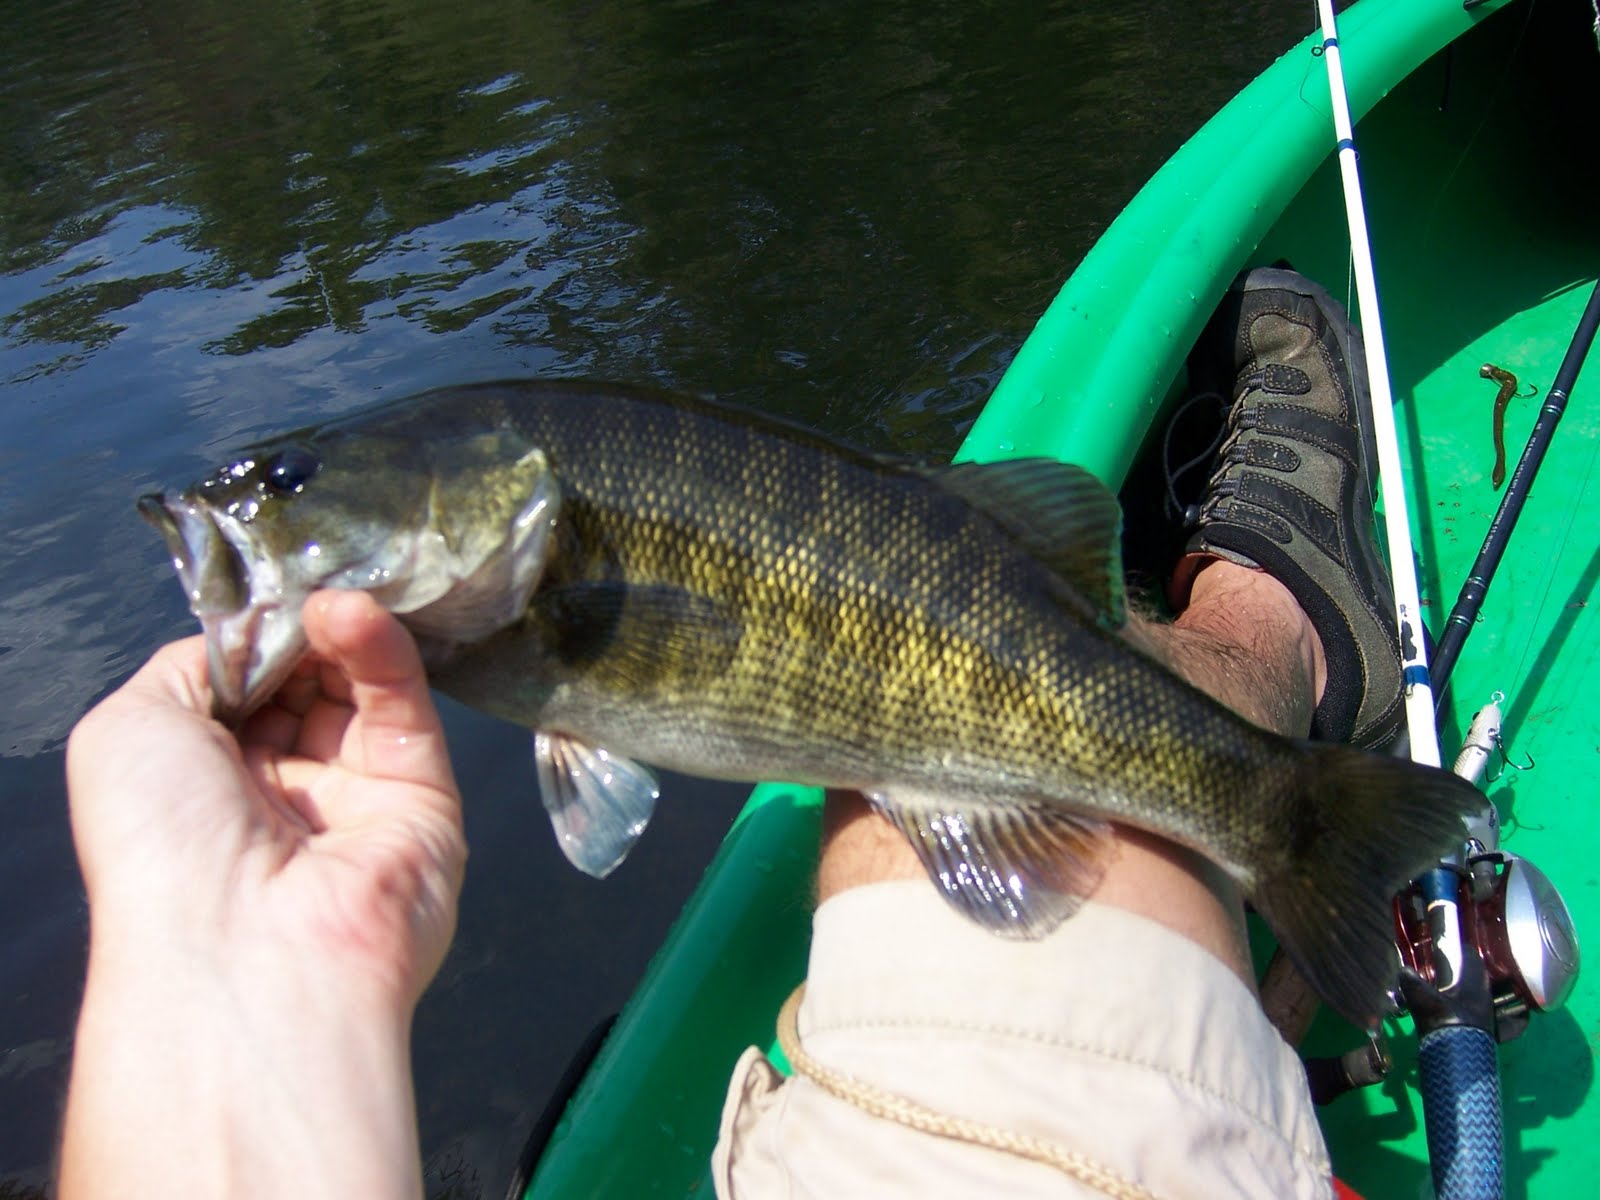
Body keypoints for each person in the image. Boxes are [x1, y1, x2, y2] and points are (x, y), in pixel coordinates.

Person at [61, 269, 1399, 1199]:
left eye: (289, 481)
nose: (256, 506)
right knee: (981, 801)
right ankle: (1278, 661)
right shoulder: (490, 609)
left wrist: (223, 959)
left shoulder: (508, 594)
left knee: (927, 773)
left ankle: (1287, 786)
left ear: (477, 485)